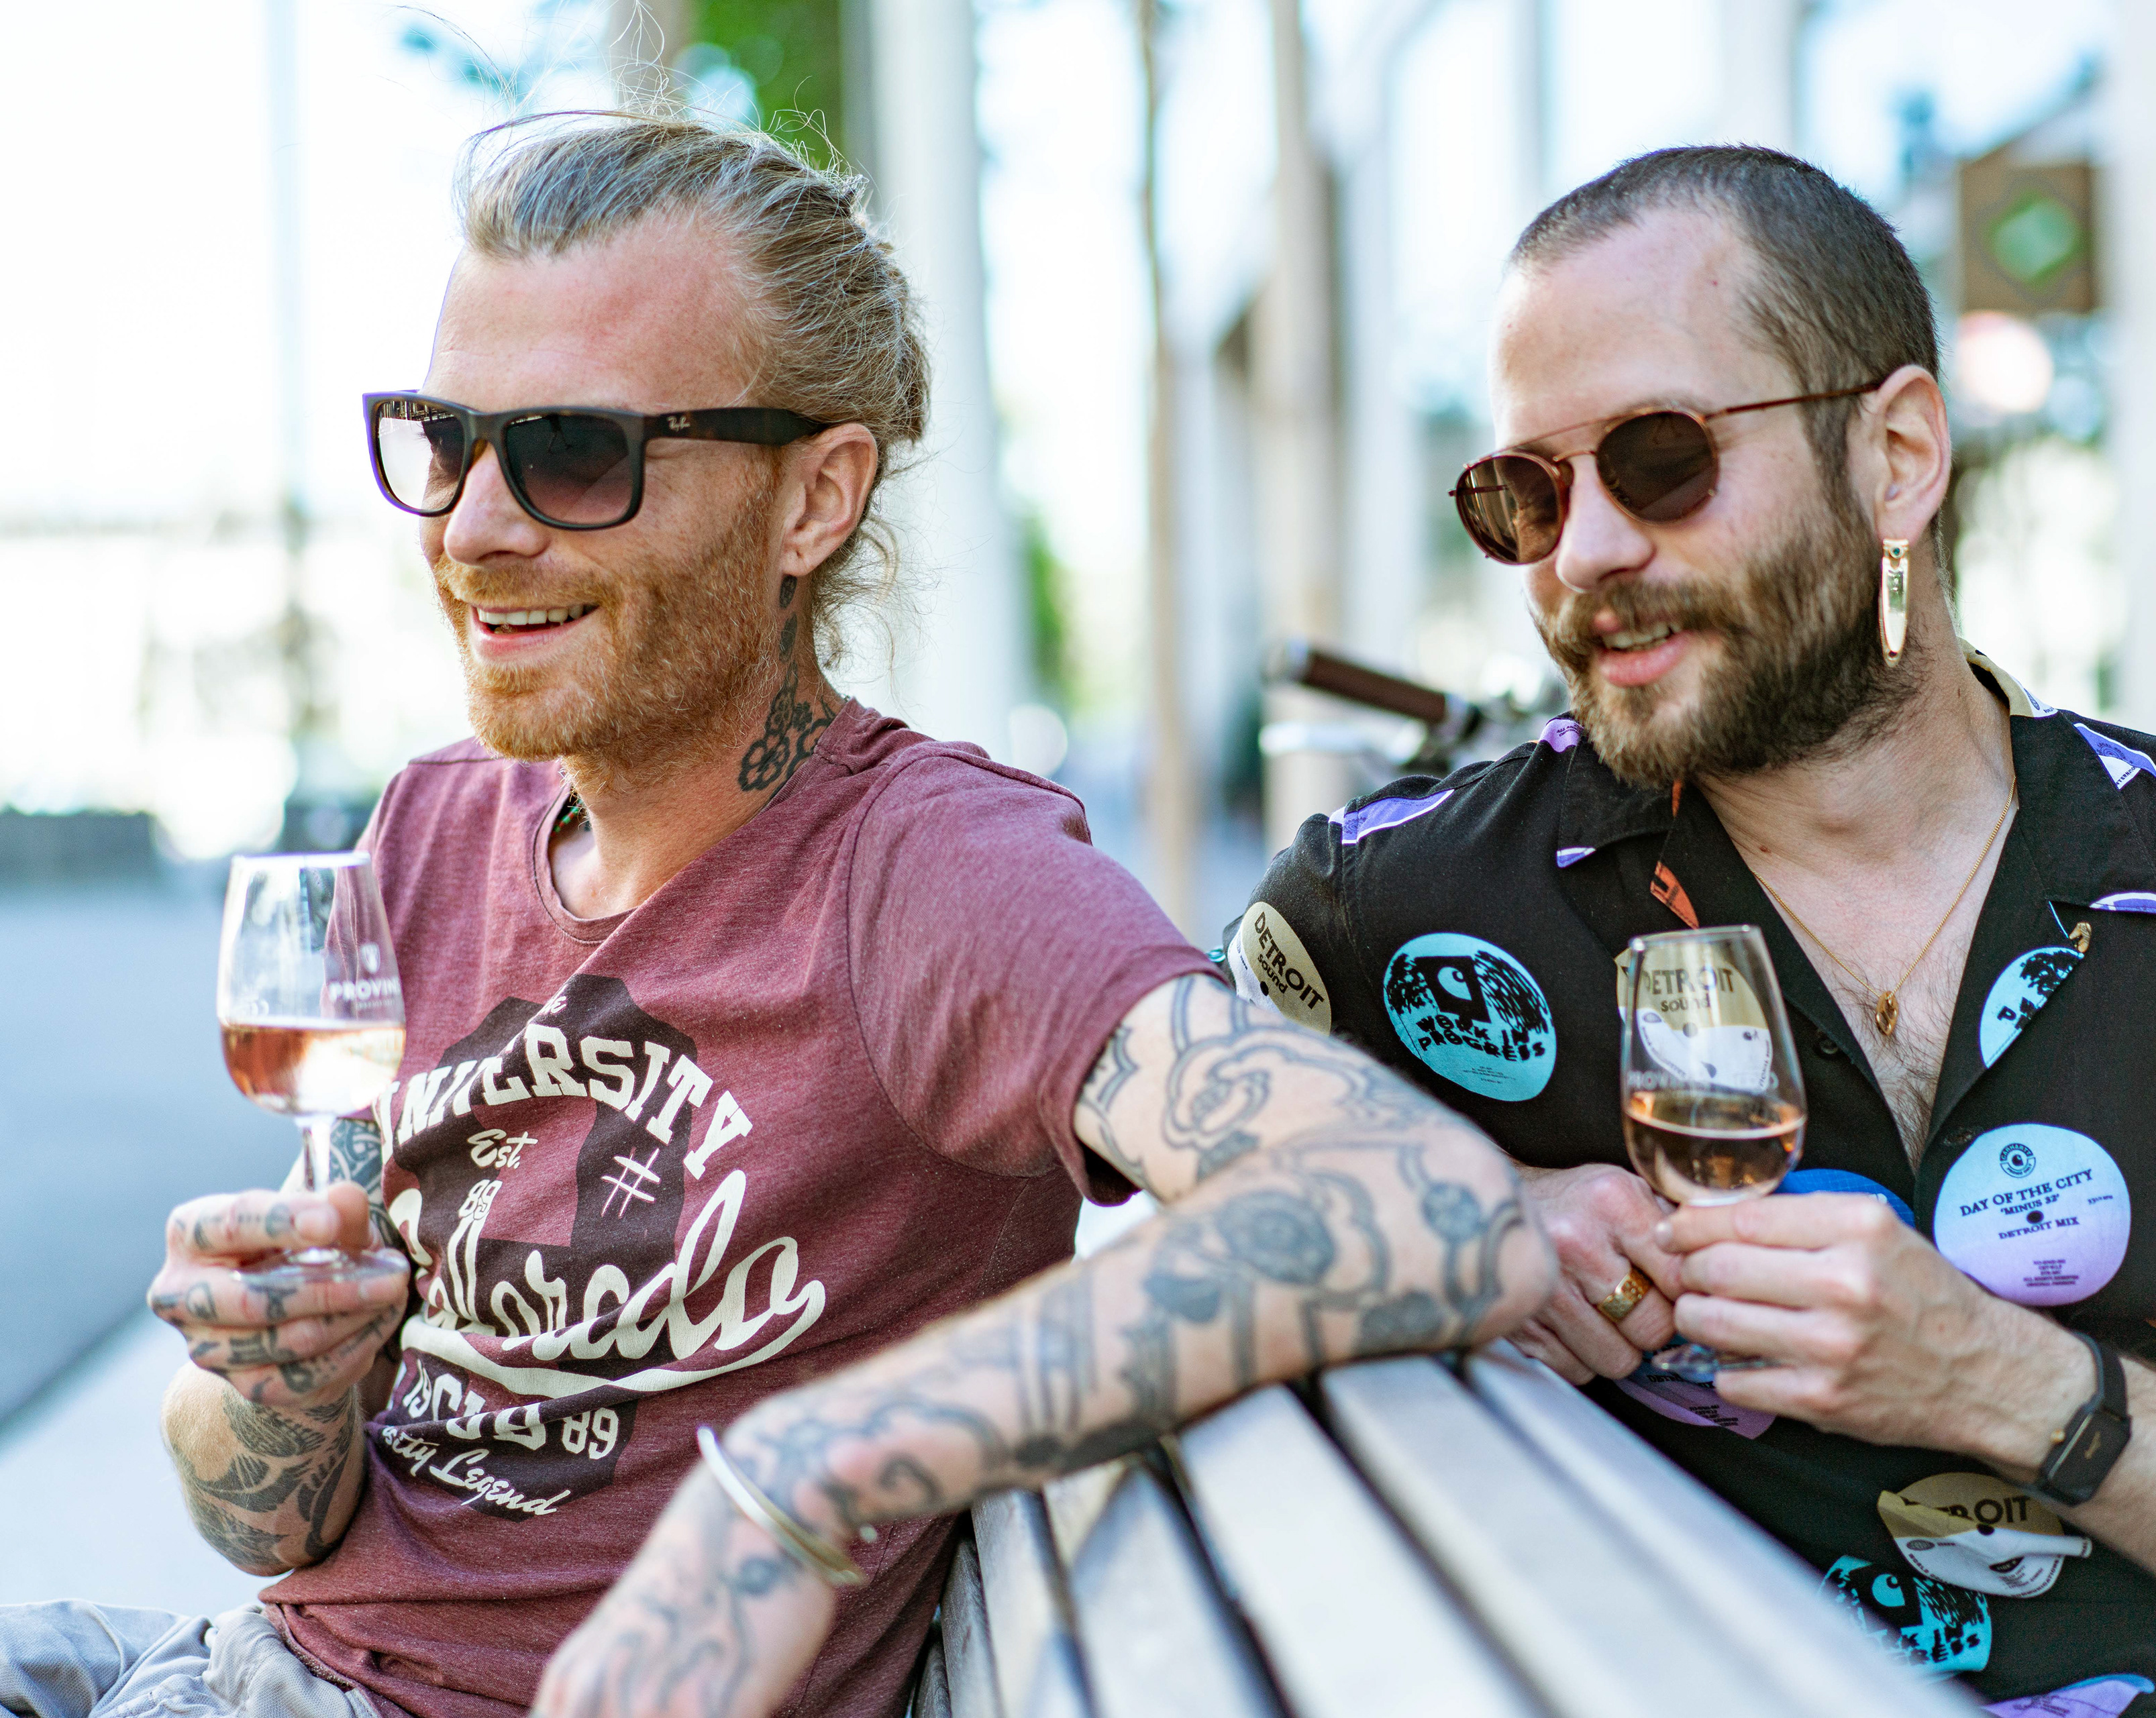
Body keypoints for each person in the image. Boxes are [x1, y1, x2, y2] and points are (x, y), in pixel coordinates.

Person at [0, 110, 1550, 1718]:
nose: (471, 528)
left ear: (815, 499)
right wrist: (276, 1382)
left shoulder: (932, 873)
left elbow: (1415, 1198)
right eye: (445, 443)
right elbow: (272, 1529)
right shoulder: (432, 827)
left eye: (573, 452)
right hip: (233, 1665)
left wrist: (801, 1480)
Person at [1228, 144, 2156, 1715]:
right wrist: (1464, 1206)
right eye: (1525, 494)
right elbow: (1131, 1135)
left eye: (1660, 459)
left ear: (1899, 455)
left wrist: (1999, 1382)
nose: (1583, 551)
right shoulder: (1407, 904)